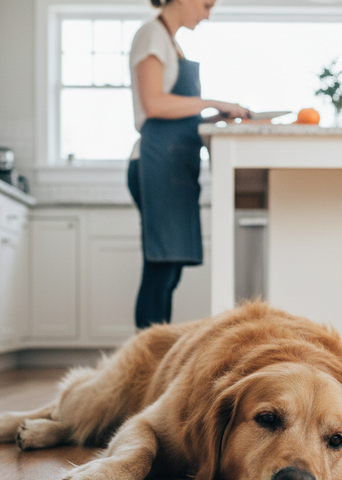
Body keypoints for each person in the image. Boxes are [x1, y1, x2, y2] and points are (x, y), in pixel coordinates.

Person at [127, 0, 249, 328]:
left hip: (173, 166)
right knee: (160, 268)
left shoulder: (169, 42)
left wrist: (213, 116)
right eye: (207, 4)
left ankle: (155, 361)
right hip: (155, 164)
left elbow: (176, 113)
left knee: (170, 272)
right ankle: (145, 366)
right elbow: (153, 103)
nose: (208, 14)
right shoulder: (151, 34)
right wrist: (213, 102)